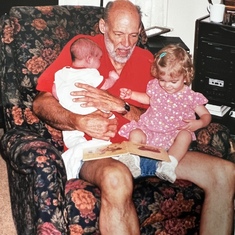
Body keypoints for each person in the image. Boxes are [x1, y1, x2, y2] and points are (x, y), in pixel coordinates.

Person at [33, 0, 235, 234]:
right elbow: (41, 102)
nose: (125, 44)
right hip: (99, 151)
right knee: (117, 178)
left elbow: (160, 115)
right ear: (103, 26)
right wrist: (77, 121)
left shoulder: (149, 61)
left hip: (149, 147)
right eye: (118, 34)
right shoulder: (84, 49)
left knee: (225, 173)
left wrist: (123, 106)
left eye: (132, 35)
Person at [119, 44, 211, 183]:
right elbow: (149, 99)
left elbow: (206, 115)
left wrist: (199, 123)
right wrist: (131, 95)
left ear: (185, 77)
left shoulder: (190, 96)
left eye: (173, 82)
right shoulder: (156, 86)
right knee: (135, 133)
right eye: (162, 80)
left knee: (185, 136)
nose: (167, 85)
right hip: (149, 130)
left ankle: (169, 165)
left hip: (172, 135)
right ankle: (133, 161)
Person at [52, 37, 121, 179]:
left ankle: (75, 153)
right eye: (99, 59)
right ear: (89, 59)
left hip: (70, 116)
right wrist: (113, 77)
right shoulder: (91, 73)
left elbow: (55, 92)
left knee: (72, 139)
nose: (100, 62)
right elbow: (105, 86)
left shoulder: (62, 72)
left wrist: (66, 100)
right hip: (89, 111)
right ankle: (99, 148)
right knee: (109, 121)